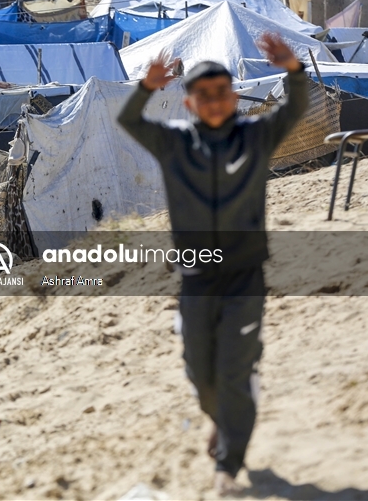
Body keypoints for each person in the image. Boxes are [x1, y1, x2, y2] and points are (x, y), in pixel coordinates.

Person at [117, 33, 307, 497]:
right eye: (204, 95)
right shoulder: (173, 143)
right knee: (199, 373)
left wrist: (294, 71)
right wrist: (145, 88)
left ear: (235, 96)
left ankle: (228, 464)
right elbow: (127, 119)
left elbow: (295, 109)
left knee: (232, 372)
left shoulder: (255, 135)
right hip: (197, 275)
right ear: (189, 102)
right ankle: (220, 417)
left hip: (245, 274)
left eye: (222, 93)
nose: (215, 102)